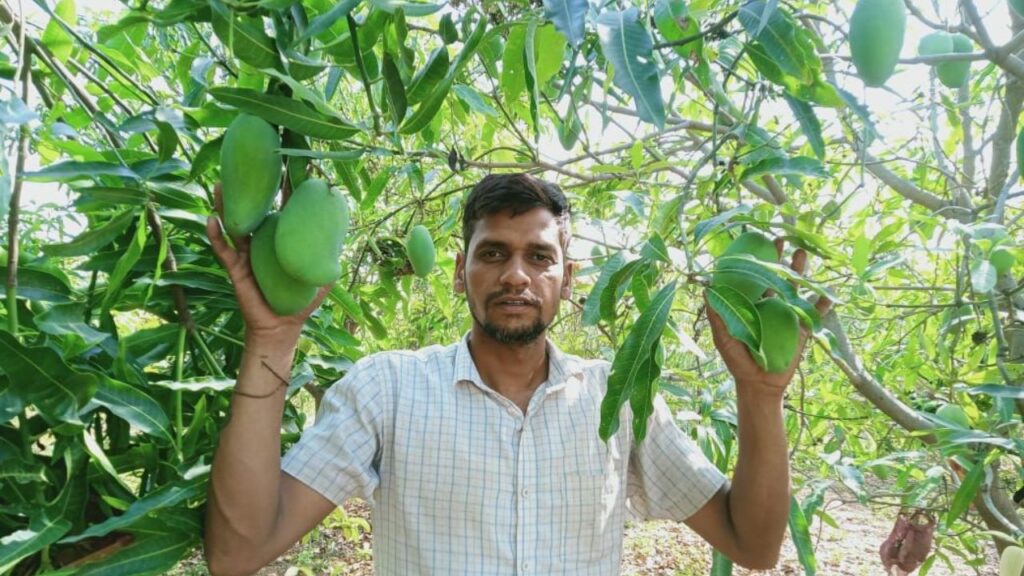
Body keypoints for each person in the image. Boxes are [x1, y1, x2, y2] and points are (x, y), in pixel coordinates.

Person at [203, 173, 831, 576]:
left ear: (568, 279)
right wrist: (272, 338)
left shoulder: (618, 399)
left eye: (539, 257)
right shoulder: (386, 389)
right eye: (493, 253)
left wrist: (761, 393)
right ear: (460, 272)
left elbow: (754, 545)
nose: (515, 275)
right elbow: (238, 552)